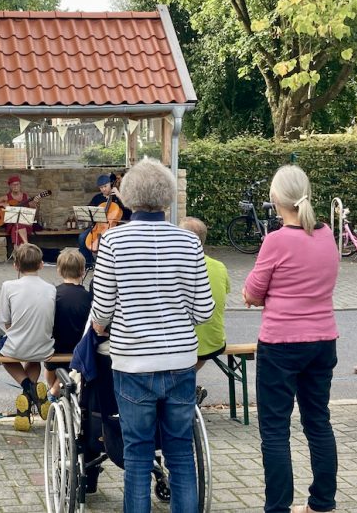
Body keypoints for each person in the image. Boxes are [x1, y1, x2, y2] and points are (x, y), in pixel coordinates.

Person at [90, 157, 215, 512]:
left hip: (132, 364)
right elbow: (204, 311)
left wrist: (102, 325)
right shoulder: (188, 243)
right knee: (180, 453)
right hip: (179, 363)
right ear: (166, 197)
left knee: (137, 456)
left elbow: (101, 312)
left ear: (128, 196)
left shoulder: (113, 242)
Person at [243, 164, 340, 513]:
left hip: (281, 344)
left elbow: (253, 293)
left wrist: (262, 295)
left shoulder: (276, 240)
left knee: (275, 431)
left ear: (275, 198)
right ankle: (322, 502)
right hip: (323, 340)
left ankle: (278, 507)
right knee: (318, 422)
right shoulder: (328, 235)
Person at [0, 243, 56, 431]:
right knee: (34, 359)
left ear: (16, 266)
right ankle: (32, 395)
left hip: (17, 346)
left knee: (4, 357)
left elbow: (5, 321)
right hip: (44, 347)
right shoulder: (52, 288)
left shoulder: (8, 286)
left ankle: (28, 389)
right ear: (41, 265)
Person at [179, 217, 230, 405]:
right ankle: (188, 388)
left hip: (184, 345)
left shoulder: (176, 266)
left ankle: (185, 391)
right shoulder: (219, 266)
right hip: (215, 341)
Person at [44, 248, 91, 398]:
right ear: (83, 271)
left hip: (55, 348)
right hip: (81, 350)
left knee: (50, 364)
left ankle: (52, 392)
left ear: (59, 271)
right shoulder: (88, 297)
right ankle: (54, 391)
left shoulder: (52, 294)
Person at [78, 173, 131, 266]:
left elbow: (130, 210)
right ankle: (89, 264)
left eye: (105, 186)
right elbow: (88, 210)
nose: (103, 189)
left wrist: (119, 196)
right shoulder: (97, 198)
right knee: (82, 237)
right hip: (98, 227)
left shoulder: (118, 197)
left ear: (111, 184)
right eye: (101, 187)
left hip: (114, 228)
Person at [0, 175, 36, 246]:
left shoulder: (26, 197)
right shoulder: (6, 197)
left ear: (20, 185)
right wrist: (2, 204)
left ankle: (18, 249)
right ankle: (26, 245)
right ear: (10, 186)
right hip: (11, 223)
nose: (16, 186)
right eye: (13, 185)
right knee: (16, 226)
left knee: (16, 227)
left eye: (17, 184)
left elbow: (33, 210)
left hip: (25, 224)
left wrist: (35, 204)